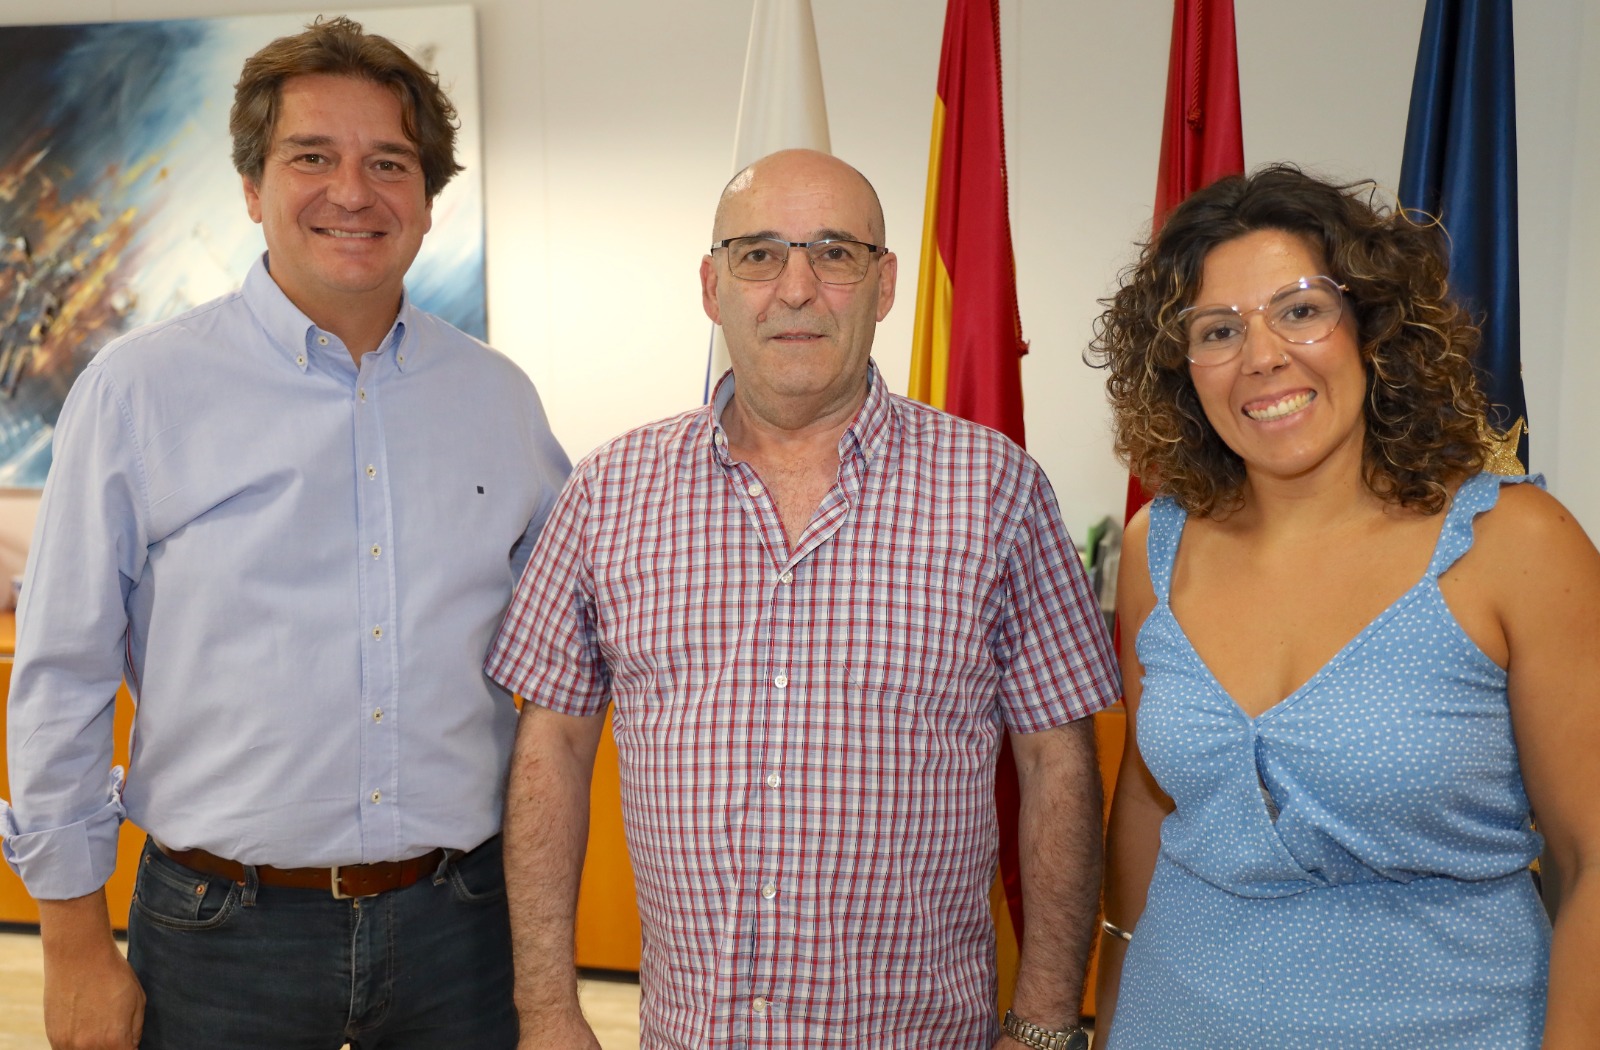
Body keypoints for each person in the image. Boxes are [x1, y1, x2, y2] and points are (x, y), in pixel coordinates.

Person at [0, 16, 569, 1050]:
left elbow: (573, 646)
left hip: (462, 935)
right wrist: (73, 943)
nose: (352, 191)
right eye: (312, 156)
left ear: (427, 202)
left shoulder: (499, 401)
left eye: (388, 162)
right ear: (254, 189)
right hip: (223, 939)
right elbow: (61, 675)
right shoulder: (138, 392)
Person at [486, 148, 1118, 1049]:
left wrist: (1050, 1020)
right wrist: (548, 1010)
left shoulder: (995, 491)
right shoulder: (608, 492)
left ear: (884, 282)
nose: (795, 288)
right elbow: (549, 746)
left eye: (834, 252)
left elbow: (1061, 767)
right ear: (711, 286)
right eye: (758, 255)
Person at [1089, 163, 1600, 1048]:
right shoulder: (1154, 548)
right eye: (1217, 329)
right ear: (1182, 368)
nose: (1261, 356)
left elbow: (1593, 856)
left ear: (1369, 323)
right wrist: (1109, 1011)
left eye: (1299, 309)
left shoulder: (1515, 544)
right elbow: (1145, 796)